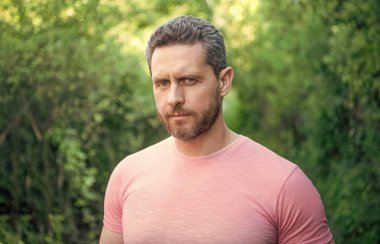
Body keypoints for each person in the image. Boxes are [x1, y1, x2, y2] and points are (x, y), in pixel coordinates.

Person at [99, 16, 334, 244]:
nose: (174, 99)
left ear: (224, 81)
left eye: (189, 80)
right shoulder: (127, 175)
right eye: (162, 83)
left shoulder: (286, 186)